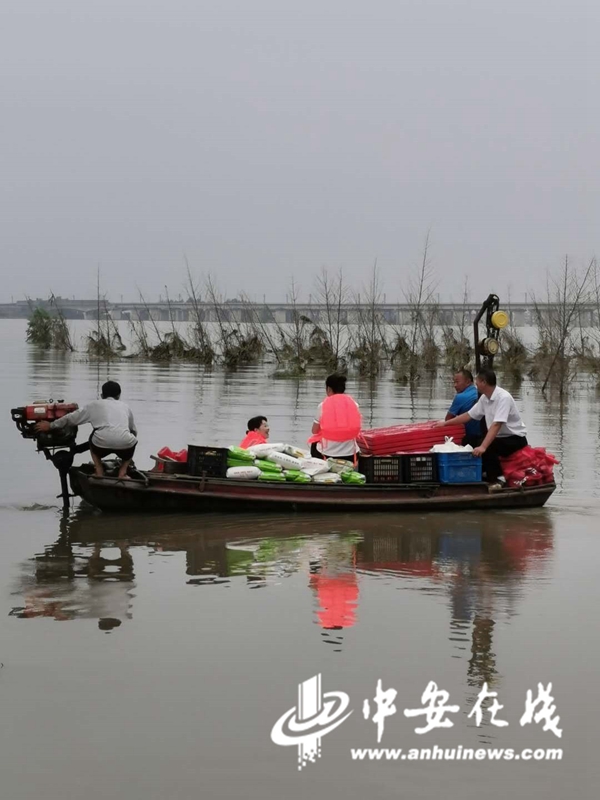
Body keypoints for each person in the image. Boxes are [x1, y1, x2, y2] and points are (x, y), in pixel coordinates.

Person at [435, 369, 528, 485]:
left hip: (514, 439)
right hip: (499, 437)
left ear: (484, 382)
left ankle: (496, 479)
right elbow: (469, 415)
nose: (476, 384)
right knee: (468, 440)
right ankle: (480, 471)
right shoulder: (484, 398)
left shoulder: (504, 398)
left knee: (488, 446)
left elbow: (497, 424)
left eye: (477, 381)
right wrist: (445, 423)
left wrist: (483, 446)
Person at [35, 380, 137, 479]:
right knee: (132, 439)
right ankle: (123, 472)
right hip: (125, 446)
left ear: (102, 396)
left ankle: (99, 471)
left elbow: (71, 418)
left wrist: (51, 425)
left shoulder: (94, 405)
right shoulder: (125, 407)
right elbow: (133, 431)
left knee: (93, 435)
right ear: (119, 396)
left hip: (100, 445)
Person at [310, 374, 362, 462]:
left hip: (326, 455)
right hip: (350, 455)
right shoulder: (354, 404)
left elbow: (314, 431)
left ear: (329, 389)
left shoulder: (323, 406)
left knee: (314, 441)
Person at [445, 368, 482, 447]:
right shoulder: (481, 394)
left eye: (457, 382)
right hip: (485, 436)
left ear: (468, 382)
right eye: (454, 382)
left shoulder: (460, 397)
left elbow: (448, 419)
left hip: (471, 438)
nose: (455, 385)